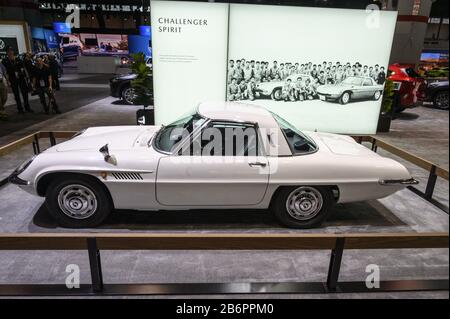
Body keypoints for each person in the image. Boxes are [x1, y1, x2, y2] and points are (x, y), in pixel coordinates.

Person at [1, 47, 33, 114]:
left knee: (25, 93)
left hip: (21, 78)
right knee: (16, 94)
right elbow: (4, 71)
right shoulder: (5, 61)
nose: (11, 52)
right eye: (9, 51)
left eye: (11, 51)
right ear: (7, 53)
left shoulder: (18, 59)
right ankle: (20, 109)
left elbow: (23, 68)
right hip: (12, 79)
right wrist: (7, 81)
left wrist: (26, 77)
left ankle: (27, 107)